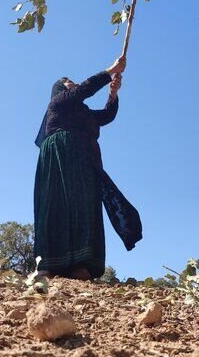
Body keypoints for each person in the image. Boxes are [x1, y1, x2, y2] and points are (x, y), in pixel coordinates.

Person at [34, 56, 142, 280]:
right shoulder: (58, 104)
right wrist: (110, 70)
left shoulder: (84, 113)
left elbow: (106, 116)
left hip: (84, 160)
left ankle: (82, 265)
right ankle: (48, 264)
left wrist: (113, 94)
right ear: (59, 89)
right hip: (59, 157)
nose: (72, 82)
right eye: (67, 81)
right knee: (56, 204)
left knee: (85, 205)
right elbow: (84, 89)